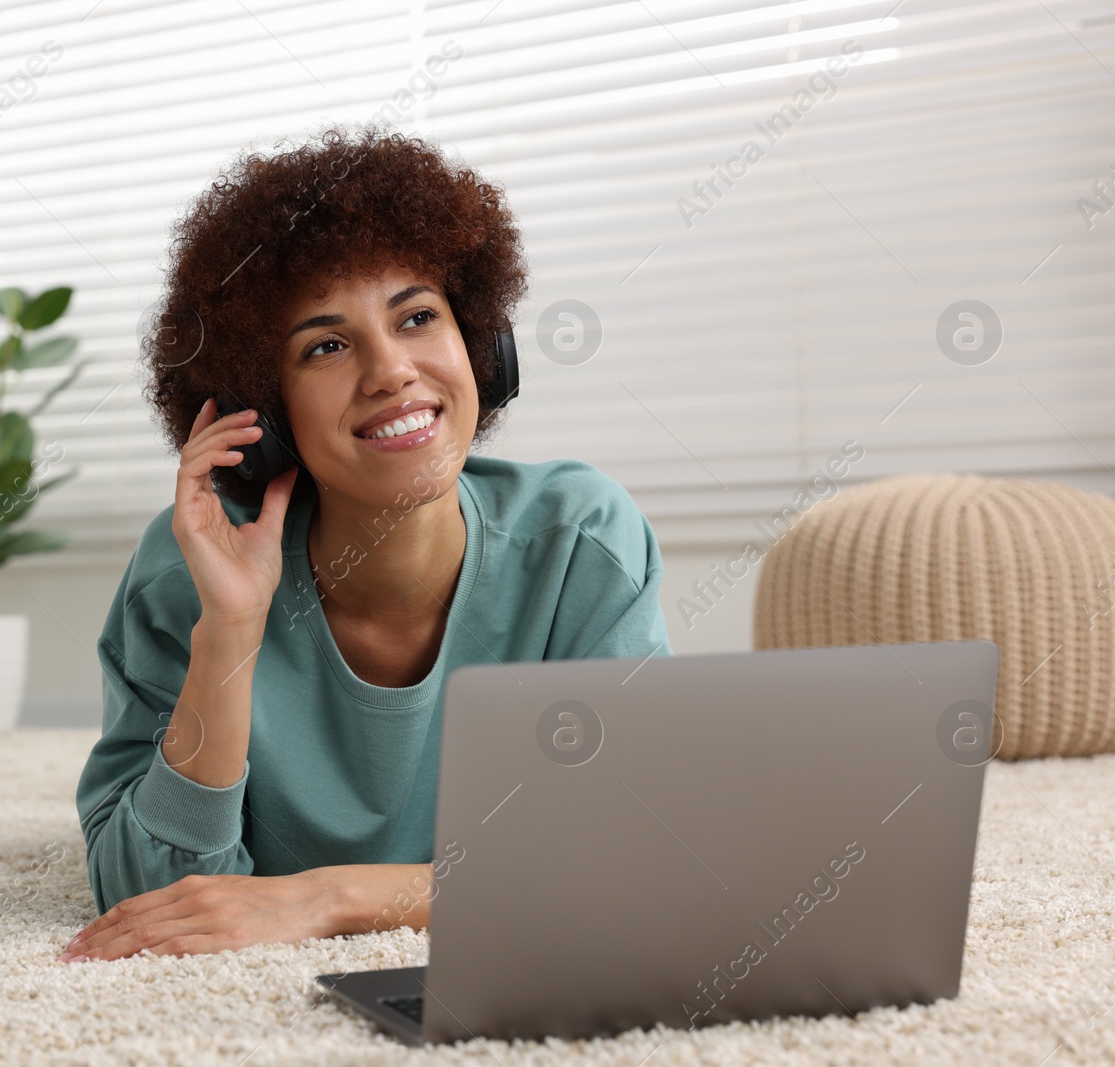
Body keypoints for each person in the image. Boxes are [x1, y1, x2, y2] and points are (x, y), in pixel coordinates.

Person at [61, 126, 671, 964]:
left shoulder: (581, 542)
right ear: (263, 413)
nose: (391, 370)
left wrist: (331, 895)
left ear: (481, 347)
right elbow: (150, 897)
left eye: (418, 316)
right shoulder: (188, 575)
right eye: (327, 345)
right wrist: (230, 636)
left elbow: (623, 856)